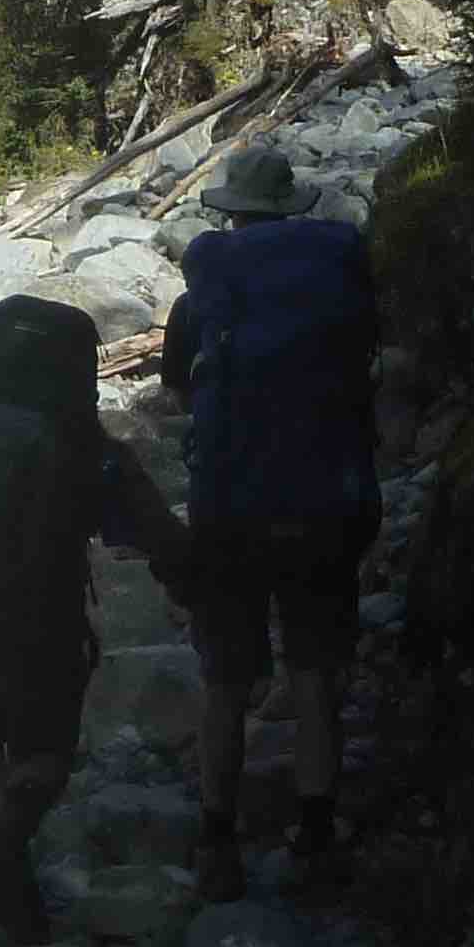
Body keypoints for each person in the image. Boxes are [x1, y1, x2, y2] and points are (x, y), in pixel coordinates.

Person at [0, 294, 184, 946]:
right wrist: (198, 587)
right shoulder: (87, 448)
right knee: (46, 757)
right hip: (42, 624)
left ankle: (9, 892)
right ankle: (11, 843)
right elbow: (154, 534)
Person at [159, 143, 382, 896]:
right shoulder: (337, 283)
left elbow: (181, 394)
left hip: (232, 509)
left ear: (232, 214)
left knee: (226, 681)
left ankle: (218, 841)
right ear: (290, 209)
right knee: (315, 674)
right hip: (326, 500)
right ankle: (315, 835)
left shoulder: (203, 298)